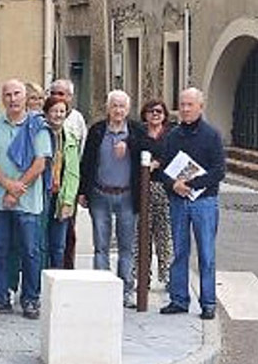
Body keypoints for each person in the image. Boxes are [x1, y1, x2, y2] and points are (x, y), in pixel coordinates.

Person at [0, 79, 51, 320]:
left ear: (25, 97)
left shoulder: (38, 127)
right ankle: (0, 297)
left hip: (28, 203)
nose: (13, 99)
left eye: (17, 93)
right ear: (3, 99)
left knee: (30, 251)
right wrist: (8, 185)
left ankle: (30, 299)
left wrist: (16, 191)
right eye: (8, 94)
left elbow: (40, 163)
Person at [159, 88, 226, 321]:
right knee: (179, 251)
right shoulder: (172, 136)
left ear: (200, 107)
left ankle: (208, 303)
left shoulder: (212, 135)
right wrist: (173, 185)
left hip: (204, 201)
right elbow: (163, 169)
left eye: (190, 105)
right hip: (178, 201)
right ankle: (179, 299)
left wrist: (192, 184)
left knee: (206, 253)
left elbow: (219, 171)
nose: (185, 109)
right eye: (182, 105)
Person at [78, 89, 144, 309]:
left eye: (122, 106)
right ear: (108, 108)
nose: (118, 110)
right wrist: (83, 191)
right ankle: (101, 288)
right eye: (114, 105)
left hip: (127, 195)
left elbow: (150, 148)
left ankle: (126, 291)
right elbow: (87, 162)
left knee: (126, 247)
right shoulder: (97, 130)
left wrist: (129, 144)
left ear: (128, 109)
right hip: (100, 194)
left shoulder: (135, 131)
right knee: (101, 245)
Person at [134, 99, 174, 288]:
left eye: (159, 111)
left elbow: (176, 156)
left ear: (164, 115)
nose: (155, 114)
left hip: (164, 188)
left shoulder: (171, 134)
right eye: (151, 111)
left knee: (164, 234)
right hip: (142, 187)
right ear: (145, 114)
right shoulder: (138, 133)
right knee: (142, 234)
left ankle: (167, 276)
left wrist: (159, 163)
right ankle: (143, 277)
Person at [49, 79, 88, 270]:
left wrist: (78, 191)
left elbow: (81, 154)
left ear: (70, 97)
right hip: (45, 188)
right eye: (53, 93)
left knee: (66, 235)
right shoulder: (43, 119)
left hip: (67, 187)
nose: (57, 97)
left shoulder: (77, 119)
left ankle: (66, 272)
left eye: (61, 94)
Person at [43, 95, 81, 269]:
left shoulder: (71, 138)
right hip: (42, 196)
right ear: (46, 113)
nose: (58, 115)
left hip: (61, 196)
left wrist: (68, 201)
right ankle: (39, 281)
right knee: (39, 244)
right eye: (54, 111)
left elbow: (73, 173)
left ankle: (56, 280)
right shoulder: (39, 135)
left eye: (62, 111)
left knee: (58, 246)